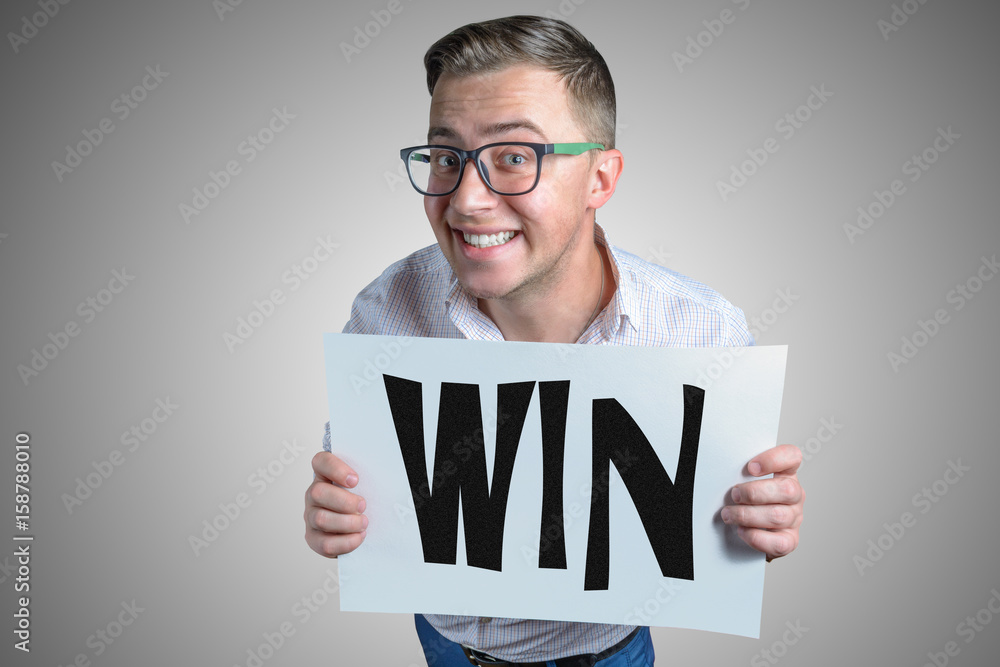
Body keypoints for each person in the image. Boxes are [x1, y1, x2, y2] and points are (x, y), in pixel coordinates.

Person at [304, 15, 804, 666]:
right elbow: (356, 488)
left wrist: (760, 523)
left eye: (515, 157)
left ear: (601, 178)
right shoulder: (385, 315)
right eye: (448, 158)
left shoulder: (702, 336)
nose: (467, 201)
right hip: (447, 647)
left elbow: (722, 533)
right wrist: (335, 513)